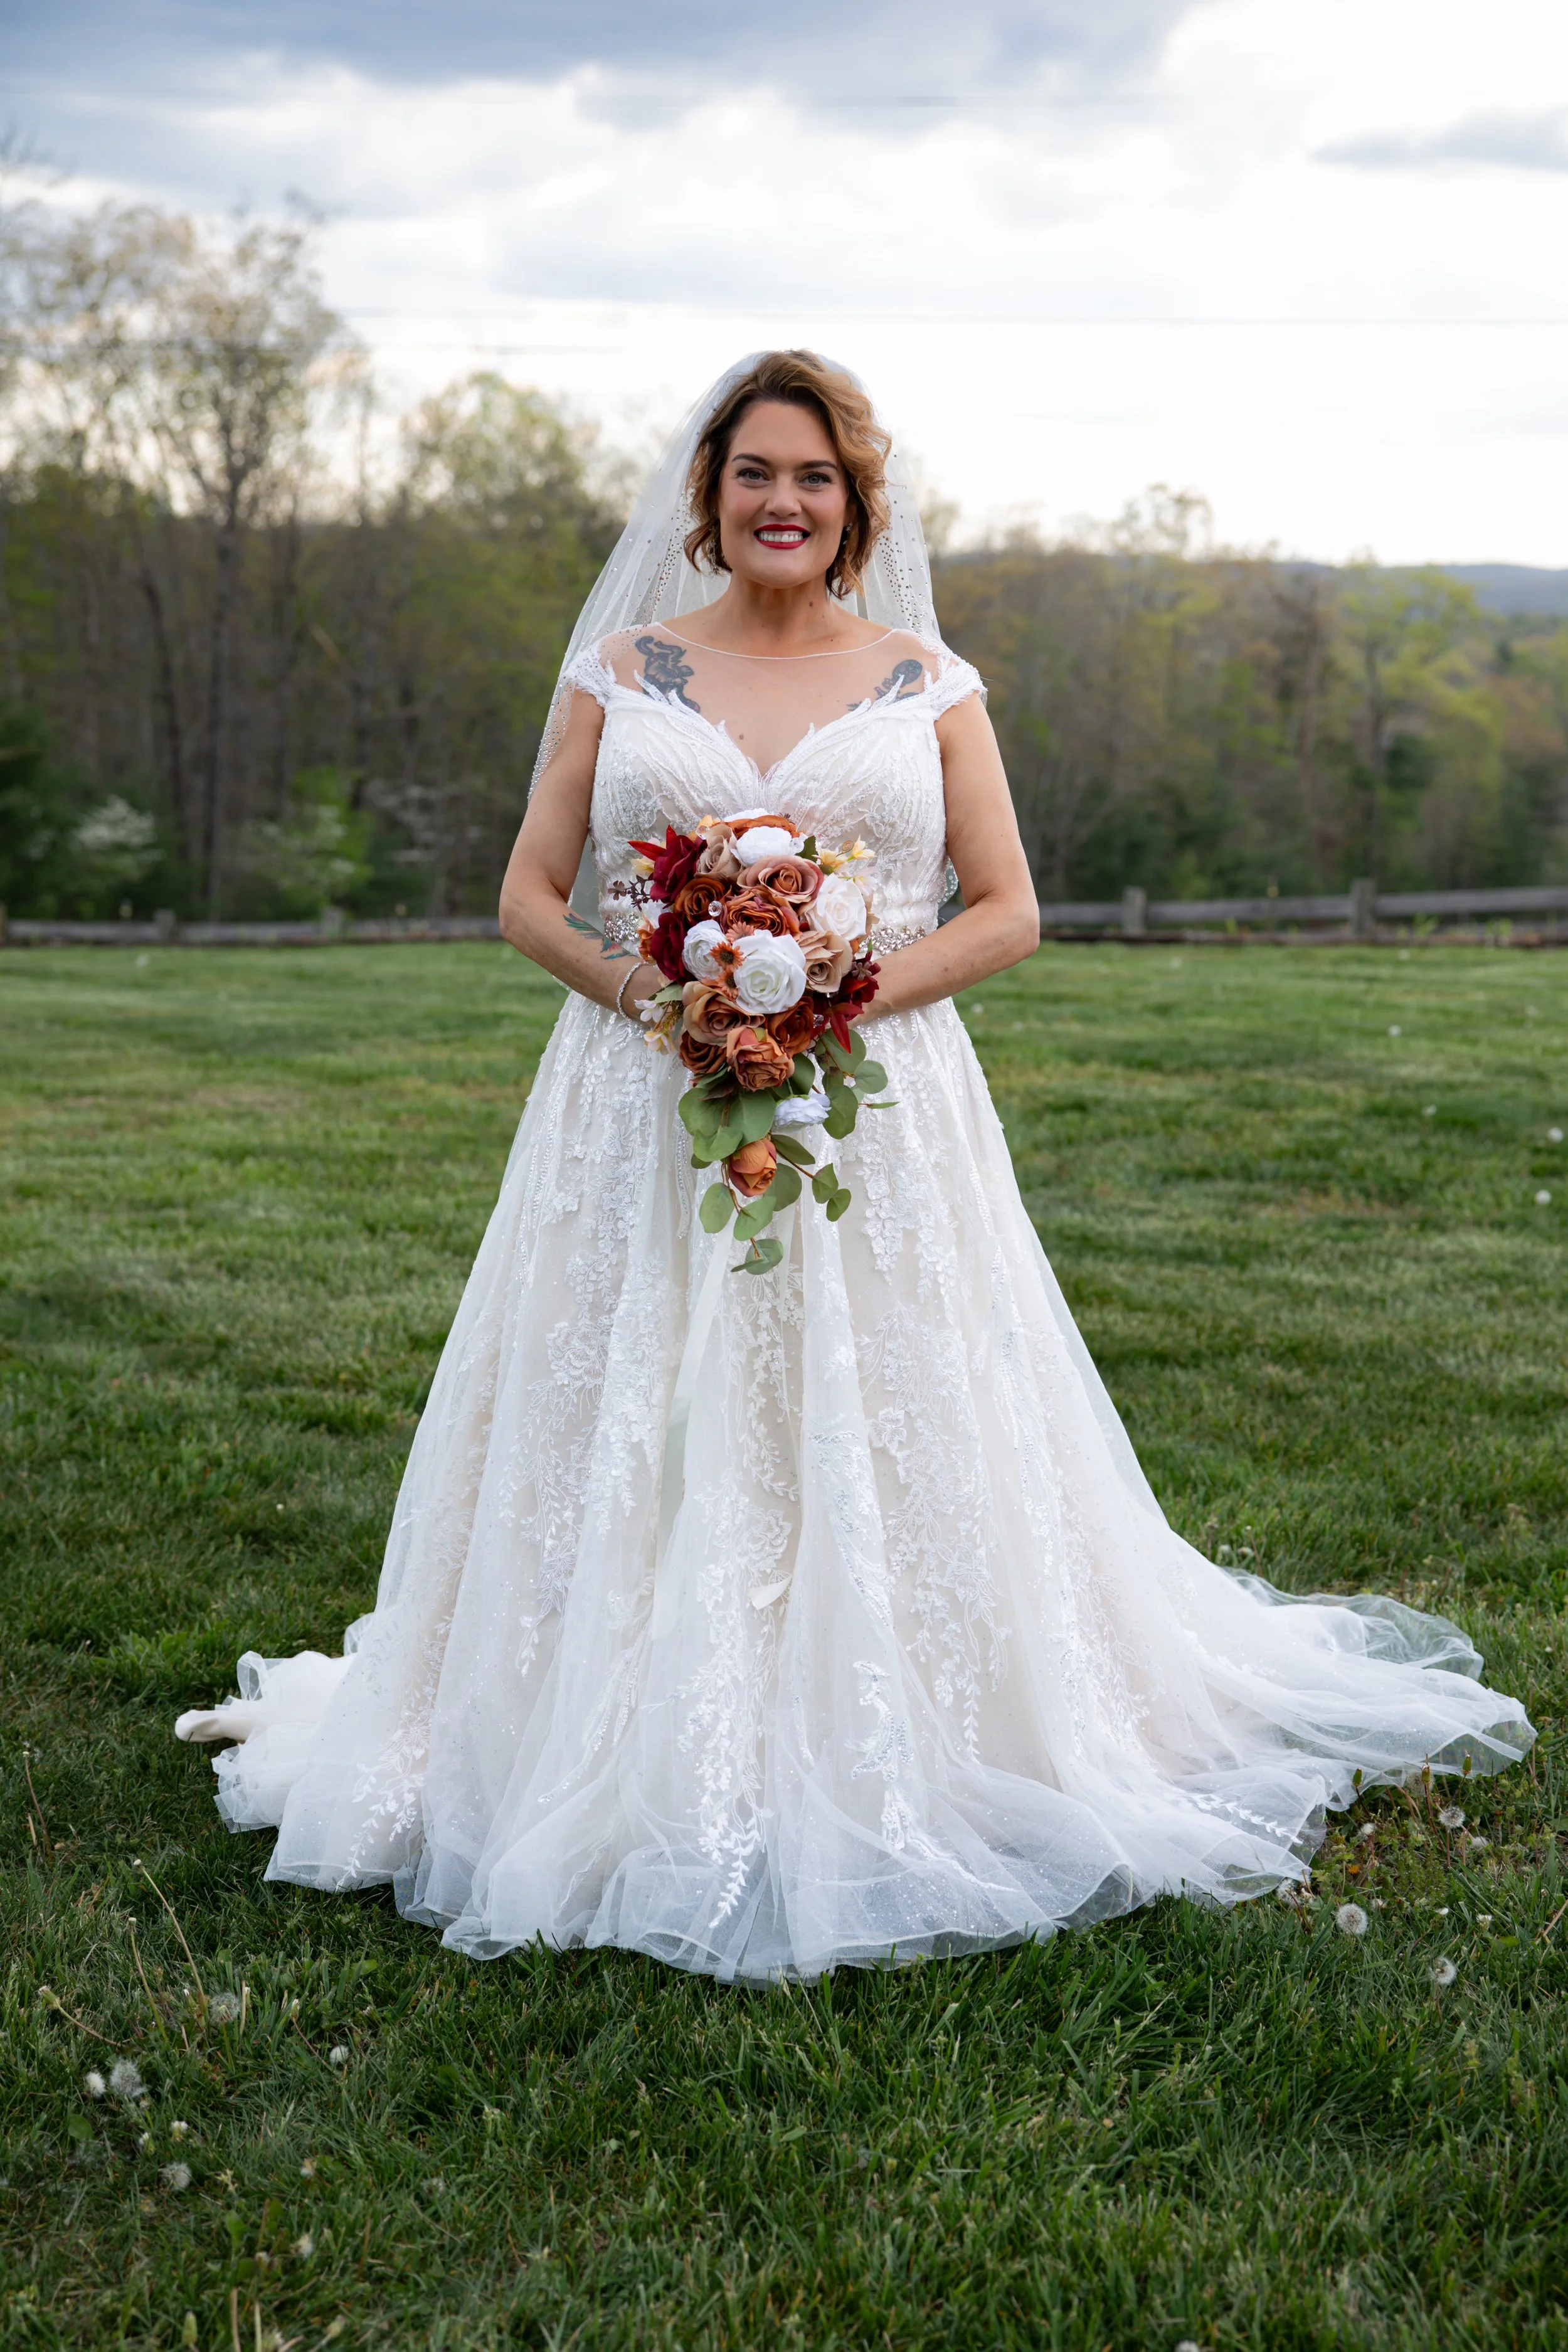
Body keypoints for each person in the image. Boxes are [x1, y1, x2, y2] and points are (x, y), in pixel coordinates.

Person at [177, 351, 1533, 1983]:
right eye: (754, 472)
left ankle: (900, 1705)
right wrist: (659, 996)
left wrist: (824, 992)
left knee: (874, 1387)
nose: (781, 502)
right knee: (637, 1386)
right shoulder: (620, 670)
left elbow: (1005, 907)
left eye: (811, 478)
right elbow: (531, 891)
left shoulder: (924, 681)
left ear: (854, 505)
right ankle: (590, 1705)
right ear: (709, 496)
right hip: (636, 1099)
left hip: (869, 1101)